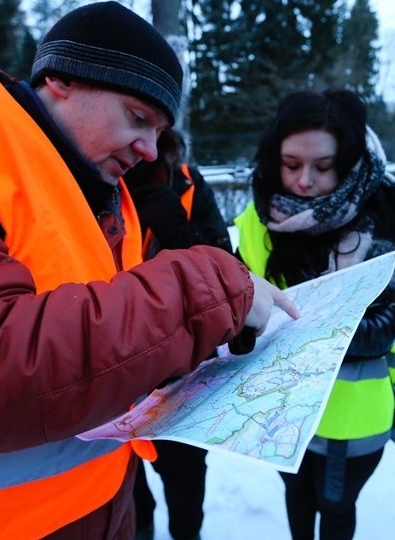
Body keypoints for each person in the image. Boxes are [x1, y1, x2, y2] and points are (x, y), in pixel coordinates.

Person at [0, 1, 297, 540]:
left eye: (160, 132)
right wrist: (209, 287)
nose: (148, 150)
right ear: (62, 79)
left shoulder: (100, 195)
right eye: (138, 118)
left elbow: (92, 341)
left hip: (100, 506)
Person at [232, 89, 395, 540]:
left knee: (337, 509)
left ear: (346, 161)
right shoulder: (257, 217)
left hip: (354, 414)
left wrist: (292, 322)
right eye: (290, 164)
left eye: (323, 168)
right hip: (280, 410)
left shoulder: (381, 215)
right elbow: (239, 302)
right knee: (297, 502)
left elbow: (384, 328)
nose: (304, 181)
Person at [123, 128, 230, 540]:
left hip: (183, 376)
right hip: (113, 378)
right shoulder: (84, 184)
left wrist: (179, 234)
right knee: (129, 491)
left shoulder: (185, 182)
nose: (141, 147)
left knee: (185, 486)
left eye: (151, 125)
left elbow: (228, 269)